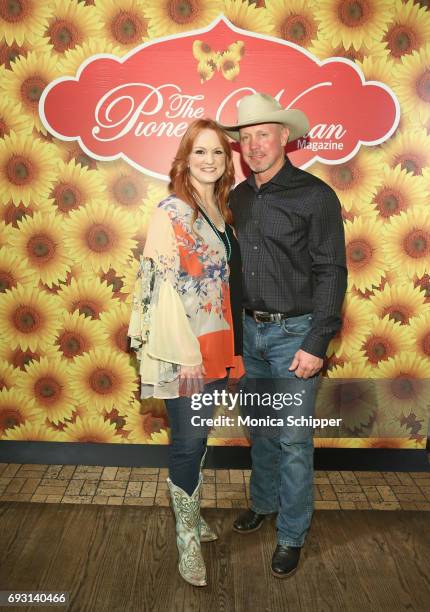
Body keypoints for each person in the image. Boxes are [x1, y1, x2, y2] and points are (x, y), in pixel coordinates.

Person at [220, 93, 347, 578]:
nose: (254, 145)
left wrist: (316, 343)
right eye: (246, 137)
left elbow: (332, 273)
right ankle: (265, 503)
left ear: (284, 138)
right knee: (262, 433)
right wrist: (233, 343)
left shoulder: (315, 195)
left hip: (296, 337)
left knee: (295, 440)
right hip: (250, 335)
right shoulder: (238, 198)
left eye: (263, 135)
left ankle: (292, 534)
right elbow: (231, 274)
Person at [128, 119, 244, 587]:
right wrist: (188, 357)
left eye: (218, 152)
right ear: (184, 159)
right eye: (200, 152)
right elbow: (161, 293)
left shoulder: (221, 211)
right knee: (189, 442)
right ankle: (186, 543)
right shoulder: (170, 212)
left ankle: (193, 519)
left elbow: (221, 288)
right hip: (185, 352)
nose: (210, 160)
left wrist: (229, 351)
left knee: (198, 439)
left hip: (217, 343)